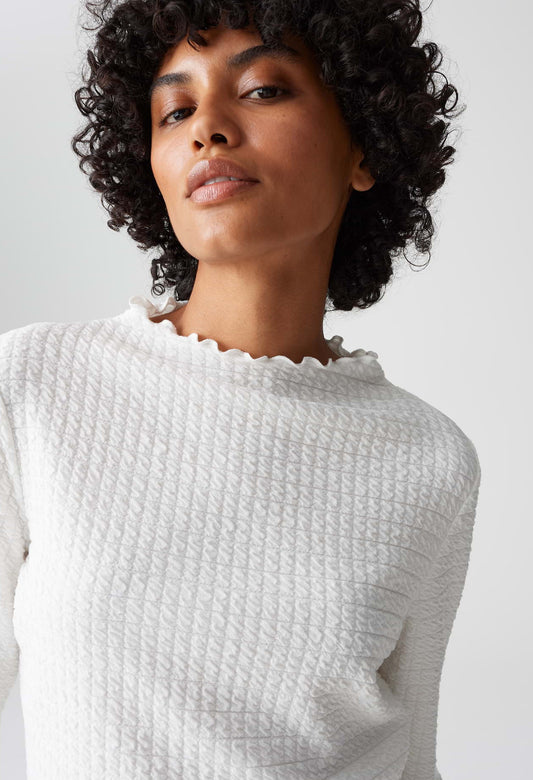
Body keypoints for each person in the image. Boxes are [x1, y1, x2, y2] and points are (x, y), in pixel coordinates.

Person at [0, 1, 481, 778]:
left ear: (363, 145)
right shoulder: (33, 386)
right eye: (175, 110)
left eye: (262, 90)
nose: (208, 129)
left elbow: (413, 756)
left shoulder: (429, 459)